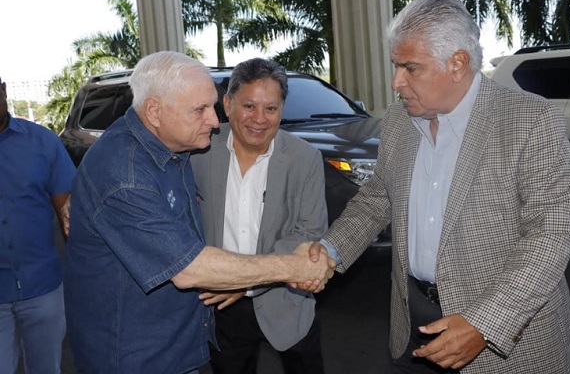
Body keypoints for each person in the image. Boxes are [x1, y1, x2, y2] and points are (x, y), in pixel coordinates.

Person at [310, 0, 570, 373]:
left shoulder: (530, 120)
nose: (395, 82)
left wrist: (485, 323)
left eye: (410, 67)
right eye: (395, 66)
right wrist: (329, 251)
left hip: (508, 342)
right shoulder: (398, 121)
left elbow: (551, 232)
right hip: (415, 325)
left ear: (457, 64)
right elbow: (375, 200)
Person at [62, 51, 335, 374]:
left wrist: (81, 198)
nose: (213, 120)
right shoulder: (134, 172)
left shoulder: (175, 147)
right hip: (137, 353)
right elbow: (189, 268)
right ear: (155, 111)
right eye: (201, 109)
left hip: (185, 339)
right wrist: (295, 267)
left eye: (211, 106)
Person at [191, 58, 327, 374]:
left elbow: (310, 231)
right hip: (220, 304)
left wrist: (246, 280)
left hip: (288, 299)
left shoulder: (304, 158)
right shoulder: (199, 152)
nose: (259, 119)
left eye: (271, 109)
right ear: (227, 103)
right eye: (249, 106)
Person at [0, 75, 76, 373]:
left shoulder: (42, 141)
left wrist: (81, 276)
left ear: (4, 90)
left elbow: (69, 215)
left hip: (43, 286)